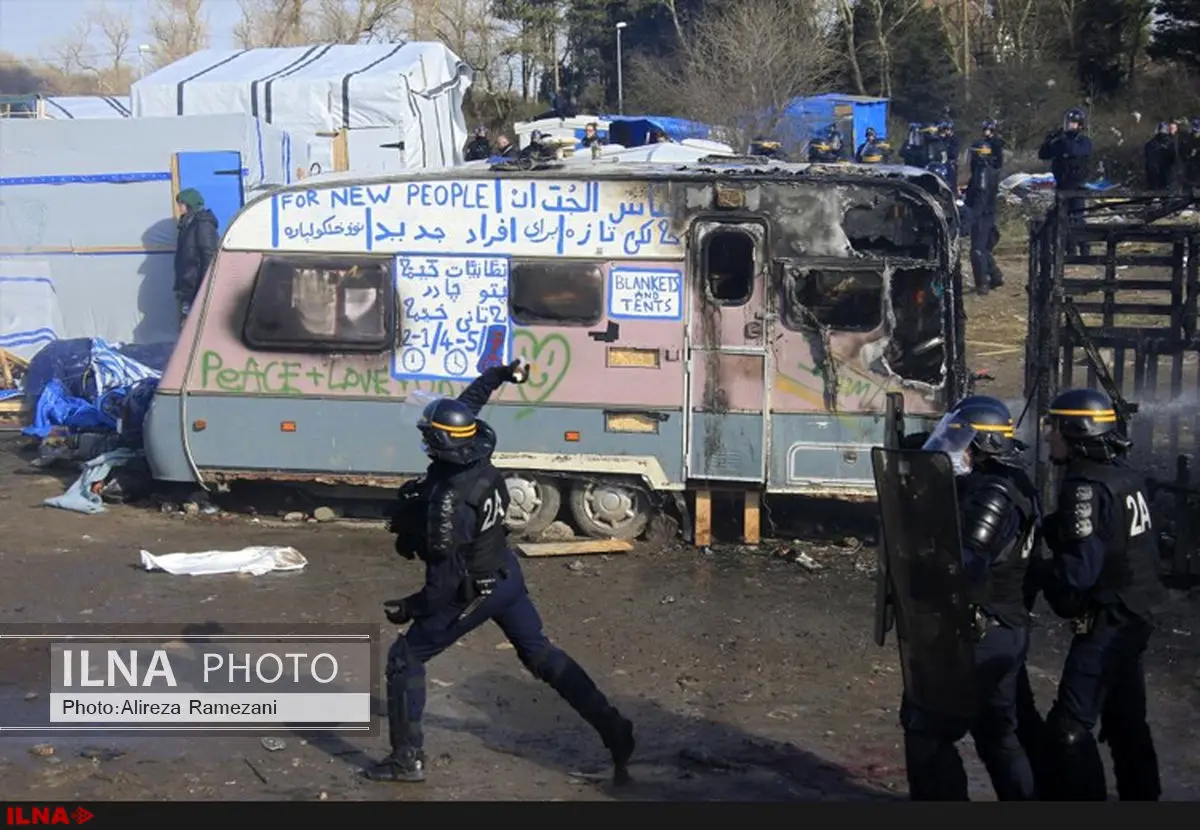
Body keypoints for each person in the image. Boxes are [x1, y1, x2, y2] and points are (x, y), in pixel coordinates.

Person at [368, 362, 636, 784]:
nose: (423, 440)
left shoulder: (447, 504)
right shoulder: (480, 455)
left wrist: (409, 607)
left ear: (440, 442)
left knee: (405, 658)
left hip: (472, 589)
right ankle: (615, 730)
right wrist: (498, 374)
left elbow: (441, 585)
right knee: (541, 654)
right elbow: (468, 406)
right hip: (506, 574)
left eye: (427, 435)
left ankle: (406, 760)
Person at [901, 397, 1040, 800]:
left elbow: (968, 563)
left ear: (984, 447)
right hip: (1003, 626)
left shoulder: (994, 493)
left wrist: (924, 564)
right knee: (997, 733)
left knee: (928, 727)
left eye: (964, 444)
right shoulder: (1006, 482)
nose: (958, 453)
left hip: (983, 628)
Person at [1037, 387, 1162, 801]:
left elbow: (1078, 575)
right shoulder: (1124, 473)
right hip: (1136, 615)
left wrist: (1041, 575)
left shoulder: (1085, 486)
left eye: (1054, 426)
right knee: (1127, 721)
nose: (1048, 434)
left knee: (1069, 730)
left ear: (1075, 431)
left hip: (1110, 618)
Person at [1038, 108, 1093, 257]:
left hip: (1077, 186)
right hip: (1062, 185)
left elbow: (1075, 152)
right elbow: (1043, 154)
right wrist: (1050, 139)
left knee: (1078, 218)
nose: (1070, 126)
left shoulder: (1084, 141)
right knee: (1061, 218)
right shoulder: (1060, 141)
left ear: (1080, 125)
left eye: (1073, 123)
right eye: (1068, 122)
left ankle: (1084, 249)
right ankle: (1068, 249)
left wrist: (1061, 142)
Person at [964, 138, 1004, 294]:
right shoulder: (990, 169)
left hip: (982, 215)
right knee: (984, 248)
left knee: (977, 250)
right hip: (989, 213)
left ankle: (982, 284)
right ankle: (995, 276)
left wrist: (971, 218)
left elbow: (980, 196)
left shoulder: (981, 171)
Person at [172, 188, 219, 321]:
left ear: (190, 204)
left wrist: (206, 283)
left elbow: (209, 254)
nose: (179, 207)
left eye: (181, 203)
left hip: (197, 284)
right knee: (186, 322)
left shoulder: (202, 223)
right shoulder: (187, 224)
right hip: (188, 285)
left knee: (196, 322)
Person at [1180, 117, 1200, 188]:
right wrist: (1189, 155)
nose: (1195, 133)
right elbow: (1182, 152)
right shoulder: (1187, 139)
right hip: (1190, 167)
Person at [939, 120, 960, 187]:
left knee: (951, 183)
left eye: (947, 129)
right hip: (943, 163)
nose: (946, 131)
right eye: (944, 129)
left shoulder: (954, 139)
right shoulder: (943, 139)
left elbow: (953, 153)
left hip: (951, 164)